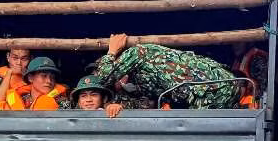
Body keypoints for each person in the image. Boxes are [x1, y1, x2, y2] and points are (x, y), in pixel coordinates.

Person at [92, 34, 245, 109]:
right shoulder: (141, 78)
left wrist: (112, 51)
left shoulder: (137, 53)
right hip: (219, 88)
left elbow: (103, 77)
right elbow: (145, 103)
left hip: (211, 88)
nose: (118, 84)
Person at [0, 56, 70, 110]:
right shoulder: (21, 98)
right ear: (30, 78)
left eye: (52, 77)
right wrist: (9, 73)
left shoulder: (62, 102)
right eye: (44, 76)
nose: (49, 81)